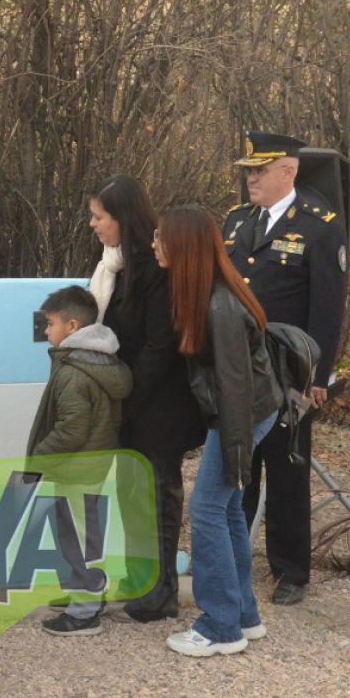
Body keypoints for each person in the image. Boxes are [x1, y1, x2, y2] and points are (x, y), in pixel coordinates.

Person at [224, 131, 347, 606]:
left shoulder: (319, 226)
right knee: (240, 467)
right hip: (241, 368)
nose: (250, 178)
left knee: (287, 467)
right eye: (248, 170)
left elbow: (327, 309)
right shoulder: (236, 222)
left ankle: (291, 570)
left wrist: (317, 379)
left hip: (289, 370)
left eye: (260, 170)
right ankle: (234, 556)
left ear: (288, 171)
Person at [155, 206, 282, 658]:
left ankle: (220, 627)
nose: (155, 244)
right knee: (225, 511)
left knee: (208, 509)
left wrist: (234, 453)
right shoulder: (206, 293)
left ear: (183, 246)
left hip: (240, 418)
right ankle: (244, 615)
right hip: (236, 416)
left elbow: (234, 388)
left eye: (161, 237)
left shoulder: (220, 305)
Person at [85, 175, 205, 623]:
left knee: (156, 497)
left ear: (123, 218)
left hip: (157, 406)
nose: (93, 225)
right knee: (131, 495)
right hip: (125, 401)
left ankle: (159, 594)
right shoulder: (109, 265)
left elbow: (161, 344)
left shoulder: (156, 267)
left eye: (100, 217)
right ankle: (140, 582)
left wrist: (125, 392)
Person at [28, 285, 132, 637]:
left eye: (50, 324)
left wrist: (37, 457)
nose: (46, 331)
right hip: (90, 465)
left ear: (72, 326)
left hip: (77, 467)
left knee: (81, 538)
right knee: (80, 535)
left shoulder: (74, 370)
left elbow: (71, 429)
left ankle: (85, 613)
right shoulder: (96, 362)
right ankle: (84, 593)